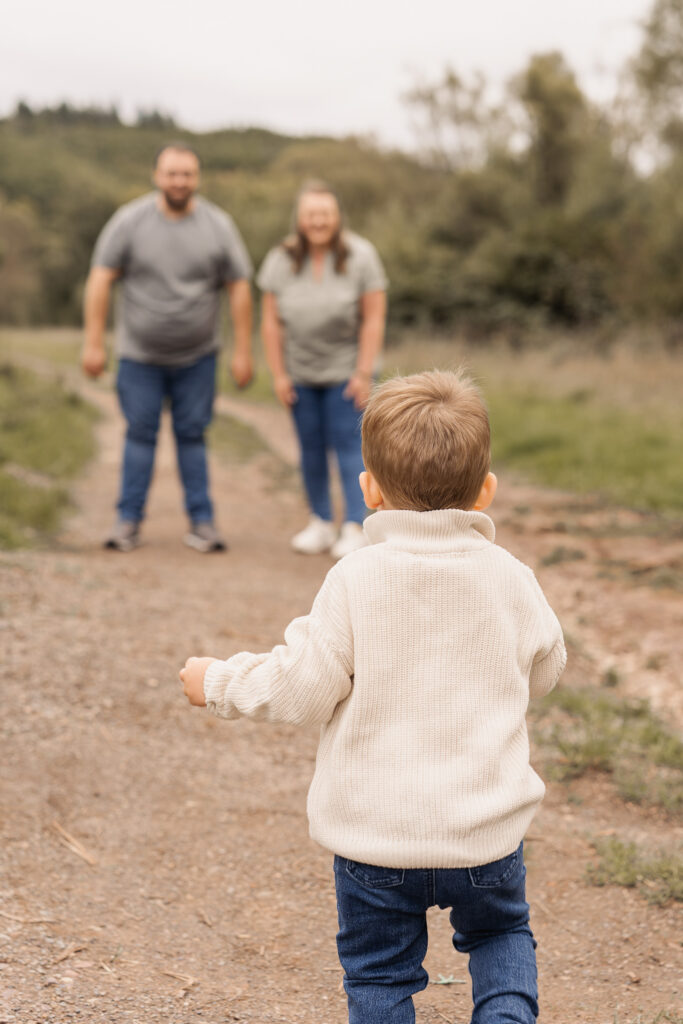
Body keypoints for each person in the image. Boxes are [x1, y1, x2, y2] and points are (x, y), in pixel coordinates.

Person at [180, 369, 566, 1024]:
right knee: (500, 935)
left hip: (375, 839)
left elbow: (301, 687)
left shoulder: (354, 578)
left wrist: (217, 681)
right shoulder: (511, 578)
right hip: (485, 834)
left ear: (369, 491)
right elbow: (546, 668)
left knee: (379, 974)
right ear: (485, 491)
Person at [82, 143, 253, 553]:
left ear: (197, 178)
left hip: (198, 357)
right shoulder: (129, 221)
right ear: (157, 176)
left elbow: (240, 285)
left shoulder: (218, 225)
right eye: (172, 173)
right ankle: (127, 522)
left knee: (192, 435)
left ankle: (203, 523)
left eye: (187, 174)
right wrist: (93, 342)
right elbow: (100, 278)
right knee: (140, 435)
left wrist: (243, 350)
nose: (180, 181)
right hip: (139, 356)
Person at [258, 180, 387, 560]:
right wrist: (279, 374)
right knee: (310, 449)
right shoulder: (280, 259)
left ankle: (354, 526)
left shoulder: (362, 255)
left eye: (325, 214)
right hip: (300, 372)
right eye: (311, 215)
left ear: (337, 218)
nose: (318, 222)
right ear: (300, 219)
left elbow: (373, 319)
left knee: (350, 448)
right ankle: (320, 522)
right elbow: (270, 323)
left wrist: (364, 372)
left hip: (347, 372)